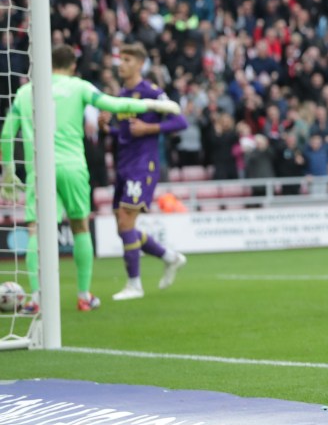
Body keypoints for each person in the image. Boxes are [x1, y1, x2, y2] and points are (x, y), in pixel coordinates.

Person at [0, 45, 181, 312]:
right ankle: (84, 296)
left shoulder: (26, 91)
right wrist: (154, 104)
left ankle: (35, 299)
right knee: (80, 227)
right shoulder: (80, 87)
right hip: (72, 166)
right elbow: (114, 104)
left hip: (39, 169)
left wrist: (8, 170)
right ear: (73, 66)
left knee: (36, 230)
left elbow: (6, 133)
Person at [108, 43, 188, 301]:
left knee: (126, 222)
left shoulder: (151, 93)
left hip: (143, 165)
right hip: (123, 165)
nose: (122, 64)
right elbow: (125, 132)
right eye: (121, 59)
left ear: (140, 64)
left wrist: (149, 129)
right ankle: (170, 257)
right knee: (123, 227)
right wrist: (105, 128)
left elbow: (180, 120)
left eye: (127, 60)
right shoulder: (122, 95)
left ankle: (134, 285)